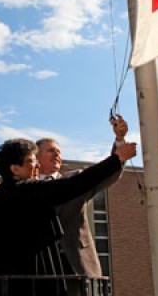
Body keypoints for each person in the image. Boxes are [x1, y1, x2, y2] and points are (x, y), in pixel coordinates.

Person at [0, 137, 136, 295]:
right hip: (35, 278)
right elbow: (71, 186)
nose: (35, 165)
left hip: (26, 278)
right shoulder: (26, 191)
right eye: (31, 161)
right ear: (15, 169)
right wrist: (116, 158)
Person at [36, 115, 128, 292]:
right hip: (41, 273)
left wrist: (119, 140)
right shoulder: (26, 187)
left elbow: (105, 173)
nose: (57, 154)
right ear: (36, 157)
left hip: (77, 267)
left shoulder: (75, 180)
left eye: (59, 152)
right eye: (50, 151)